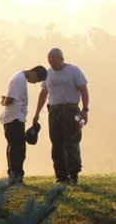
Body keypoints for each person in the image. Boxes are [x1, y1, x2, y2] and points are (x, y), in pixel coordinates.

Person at [33, 48, 90, 185]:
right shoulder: (48, 74)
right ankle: (61, 177)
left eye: (53, 61)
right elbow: (43, 93)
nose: (51, 64)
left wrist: (85, 110)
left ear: (61, 59)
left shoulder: (74, 70)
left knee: (72, 143)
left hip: (72, 112)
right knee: (56, 144)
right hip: (54, 112)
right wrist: (37, 113)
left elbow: (84, 90)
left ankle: (74, 175)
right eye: (49, 61)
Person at [0, 65, 47, 185]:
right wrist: (4, 101)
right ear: (34, 73)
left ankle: (13, 176)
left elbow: (12, 97)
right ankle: (16, 178)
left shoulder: (20, 78)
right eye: (37, 80)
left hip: (15, 118)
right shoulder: (19, 79)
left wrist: (6, 99)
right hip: (14, 118)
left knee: (14, 147)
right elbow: (10, 99)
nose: (35, 82)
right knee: (18, 149)